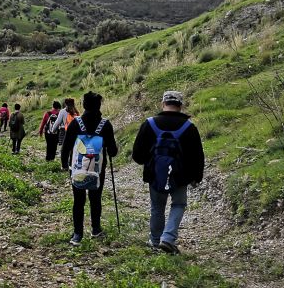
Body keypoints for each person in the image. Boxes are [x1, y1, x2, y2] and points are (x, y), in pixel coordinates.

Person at [131, 91, 204, 255]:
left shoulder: (149, 124)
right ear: (180, 105)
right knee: (178, 204)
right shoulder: (189, 127)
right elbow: (197, 156)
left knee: (157, 206)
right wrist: (196, 176)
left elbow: (137, 155)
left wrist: (149, 163)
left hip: (155, 174)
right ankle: (168, 238)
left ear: (163, 104)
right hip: (180, 176)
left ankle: (156, 241)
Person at [61, 91, 118, 246]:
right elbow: (113, 151)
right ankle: (95, 229)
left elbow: (66, 147)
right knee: (95, 199)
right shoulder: (105, 125)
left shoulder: (75, 123)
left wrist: (65, 164)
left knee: (78, 201)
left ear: (84, 105)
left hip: (77, 169)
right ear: (99, 106)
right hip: (98, 170)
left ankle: (77, 234)